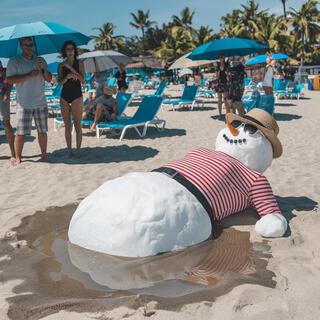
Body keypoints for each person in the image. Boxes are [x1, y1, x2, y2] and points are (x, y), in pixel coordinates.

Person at [6, 37, 52, 165]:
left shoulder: (40, 60)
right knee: (21, 133)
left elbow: (49, 79)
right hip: (23, 104)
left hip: (41, 102)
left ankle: (44, 156)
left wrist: (43, 69)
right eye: (26, 45)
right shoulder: (14, 61)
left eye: (31, 44)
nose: (29, 47)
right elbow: (9, 80)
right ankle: (18, 157)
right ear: (21, 45)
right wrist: (28, 75)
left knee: (42, 131)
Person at [58, 40, 85, 158]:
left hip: (76, 96)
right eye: (67, 49)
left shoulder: (79, 63)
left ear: (75, 51)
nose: (70, 51)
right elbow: (59, 83)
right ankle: (69, 151)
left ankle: (78, 151)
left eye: (72, 49)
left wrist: (70, 68)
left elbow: (83, 80)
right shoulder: (60, 65)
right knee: (67, 126)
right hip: (64, 96)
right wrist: (67, 77)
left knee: (78, 125)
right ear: (65, 51)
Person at [0, 61, 15, 162]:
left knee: (6, 123)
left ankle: (13, 153)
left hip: (3, 97)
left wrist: (7, 94)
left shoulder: (6, 71)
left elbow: (11, 83)